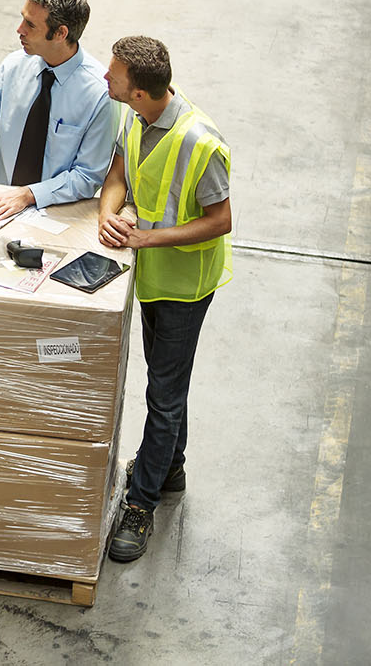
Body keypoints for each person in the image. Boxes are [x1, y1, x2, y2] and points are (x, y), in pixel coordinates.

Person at [96, 35, 233, 563]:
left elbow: (221, 220)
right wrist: (109, 214)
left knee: (163, 394)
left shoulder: (202, 141)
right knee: (167, 382)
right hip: (149, 278)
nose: (106, 78)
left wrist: (145, 238)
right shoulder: (136, 120)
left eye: (115, 75)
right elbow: (118, 177)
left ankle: (141, 501)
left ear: (140, 91)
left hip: (184, 287)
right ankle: (169, 467)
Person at [0, 0, 119, 219]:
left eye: (30, 24)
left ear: (61, 33)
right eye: (23, 18)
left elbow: (87, 176)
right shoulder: (12, 67)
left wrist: (28, 195)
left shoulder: (99, 95)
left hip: (50, 213)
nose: (19, 29)